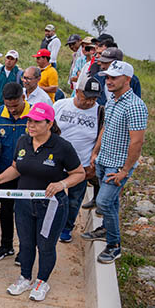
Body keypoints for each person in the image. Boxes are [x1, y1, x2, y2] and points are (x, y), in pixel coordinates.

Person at [0, 103, 85, 301]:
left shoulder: (62, 147)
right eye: (29, 120)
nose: (30, 125)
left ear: (49, 123)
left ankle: (42, 281)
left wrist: (62, 184)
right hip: (24, 204)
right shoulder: (23, 141)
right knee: (26, 243)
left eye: (36, 122)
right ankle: (25, 277)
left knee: (45, 245)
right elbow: (16, 168)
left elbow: (79, 173)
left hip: (51, 206)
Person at [83, 61, 147, 263]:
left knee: (103, 202)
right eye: (107, 77)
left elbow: (137, 142)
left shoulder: (135, 106)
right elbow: (106, 127)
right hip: (104, 159)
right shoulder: (112, 100)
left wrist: (124, 170)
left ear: (127, 79)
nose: (108, 81)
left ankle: (114, 245)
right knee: (112, 201)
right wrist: (96, 152)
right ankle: (105, 229)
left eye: (113, 78)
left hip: (118, 165)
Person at [54, 78, 105, 243]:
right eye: (87, 97)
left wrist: (93, 162)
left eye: (94, 98)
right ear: (77, 91)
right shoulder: (60, 105)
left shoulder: (100, 112)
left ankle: (66, 228)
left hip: (80, 166)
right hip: (55, 163)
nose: (90, 102)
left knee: (74, 200)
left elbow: (101, 138)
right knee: (52, 196)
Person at [0, 82, 31, 261]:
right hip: (5, 172)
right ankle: (6, 245)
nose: (12, 110)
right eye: (8, 106)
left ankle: (25, 250)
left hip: (28, 175)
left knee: (24, 213)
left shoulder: (34, 115)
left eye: (16, 106)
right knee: (5, 211)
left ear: (23, 98)